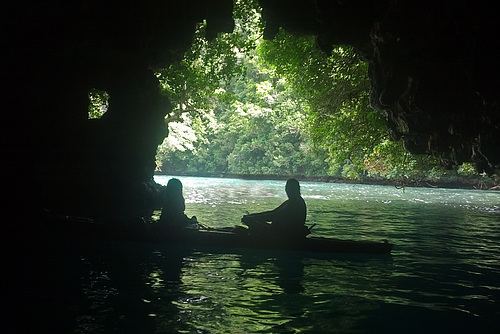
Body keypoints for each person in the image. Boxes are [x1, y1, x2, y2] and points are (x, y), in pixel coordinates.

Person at [241, 178, 308, 238]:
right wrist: (252, 216)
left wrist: (252, 218)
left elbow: (273, 216)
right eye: (287, 188)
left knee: (252, 222)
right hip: (282, 232)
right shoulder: (292, 201)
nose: (288, 190)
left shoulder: (295, 203)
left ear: (296, 189)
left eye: (290, 188)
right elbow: (273, 212)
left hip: (284, 235)